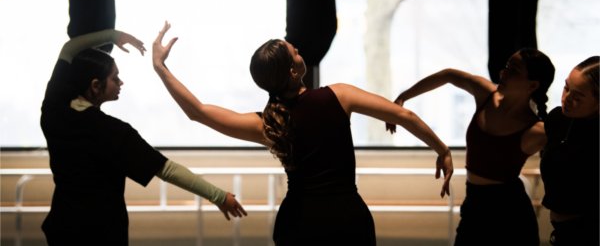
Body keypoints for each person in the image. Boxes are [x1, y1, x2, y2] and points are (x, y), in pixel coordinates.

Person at [152, 21, 454, 246]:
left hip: (298, 223)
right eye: (296, 52)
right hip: (347, 220)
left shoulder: (268, 124)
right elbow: (404, 115)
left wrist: (161, 68)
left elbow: (199, 112)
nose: (300, 52)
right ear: (294, 72)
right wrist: (442, 149)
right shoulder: (339, 96)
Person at [40, 28, 246, 246]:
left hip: (62, 226)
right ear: (95, 86)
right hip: (101, 232)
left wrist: (113, 35)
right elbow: (167, 170)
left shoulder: (54, 108)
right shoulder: (111, 132)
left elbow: (69, 49)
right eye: (114, 78)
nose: (120, 83)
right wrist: (219, 196)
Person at [389, 48, 555, 246]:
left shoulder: (536, 130)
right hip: (474, 204)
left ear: (533, 85)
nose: (503, 73)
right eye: (507, 66)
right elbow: (448, 75)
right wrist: (402, 97)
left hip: (511, 214)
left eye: (514, 70)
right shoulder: (486, 93)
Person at [540, 56, 599, 246]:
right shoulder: (558, 119)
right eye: (566, 88)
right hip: (560, 230)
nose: (566, 99)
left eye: (578, 97)